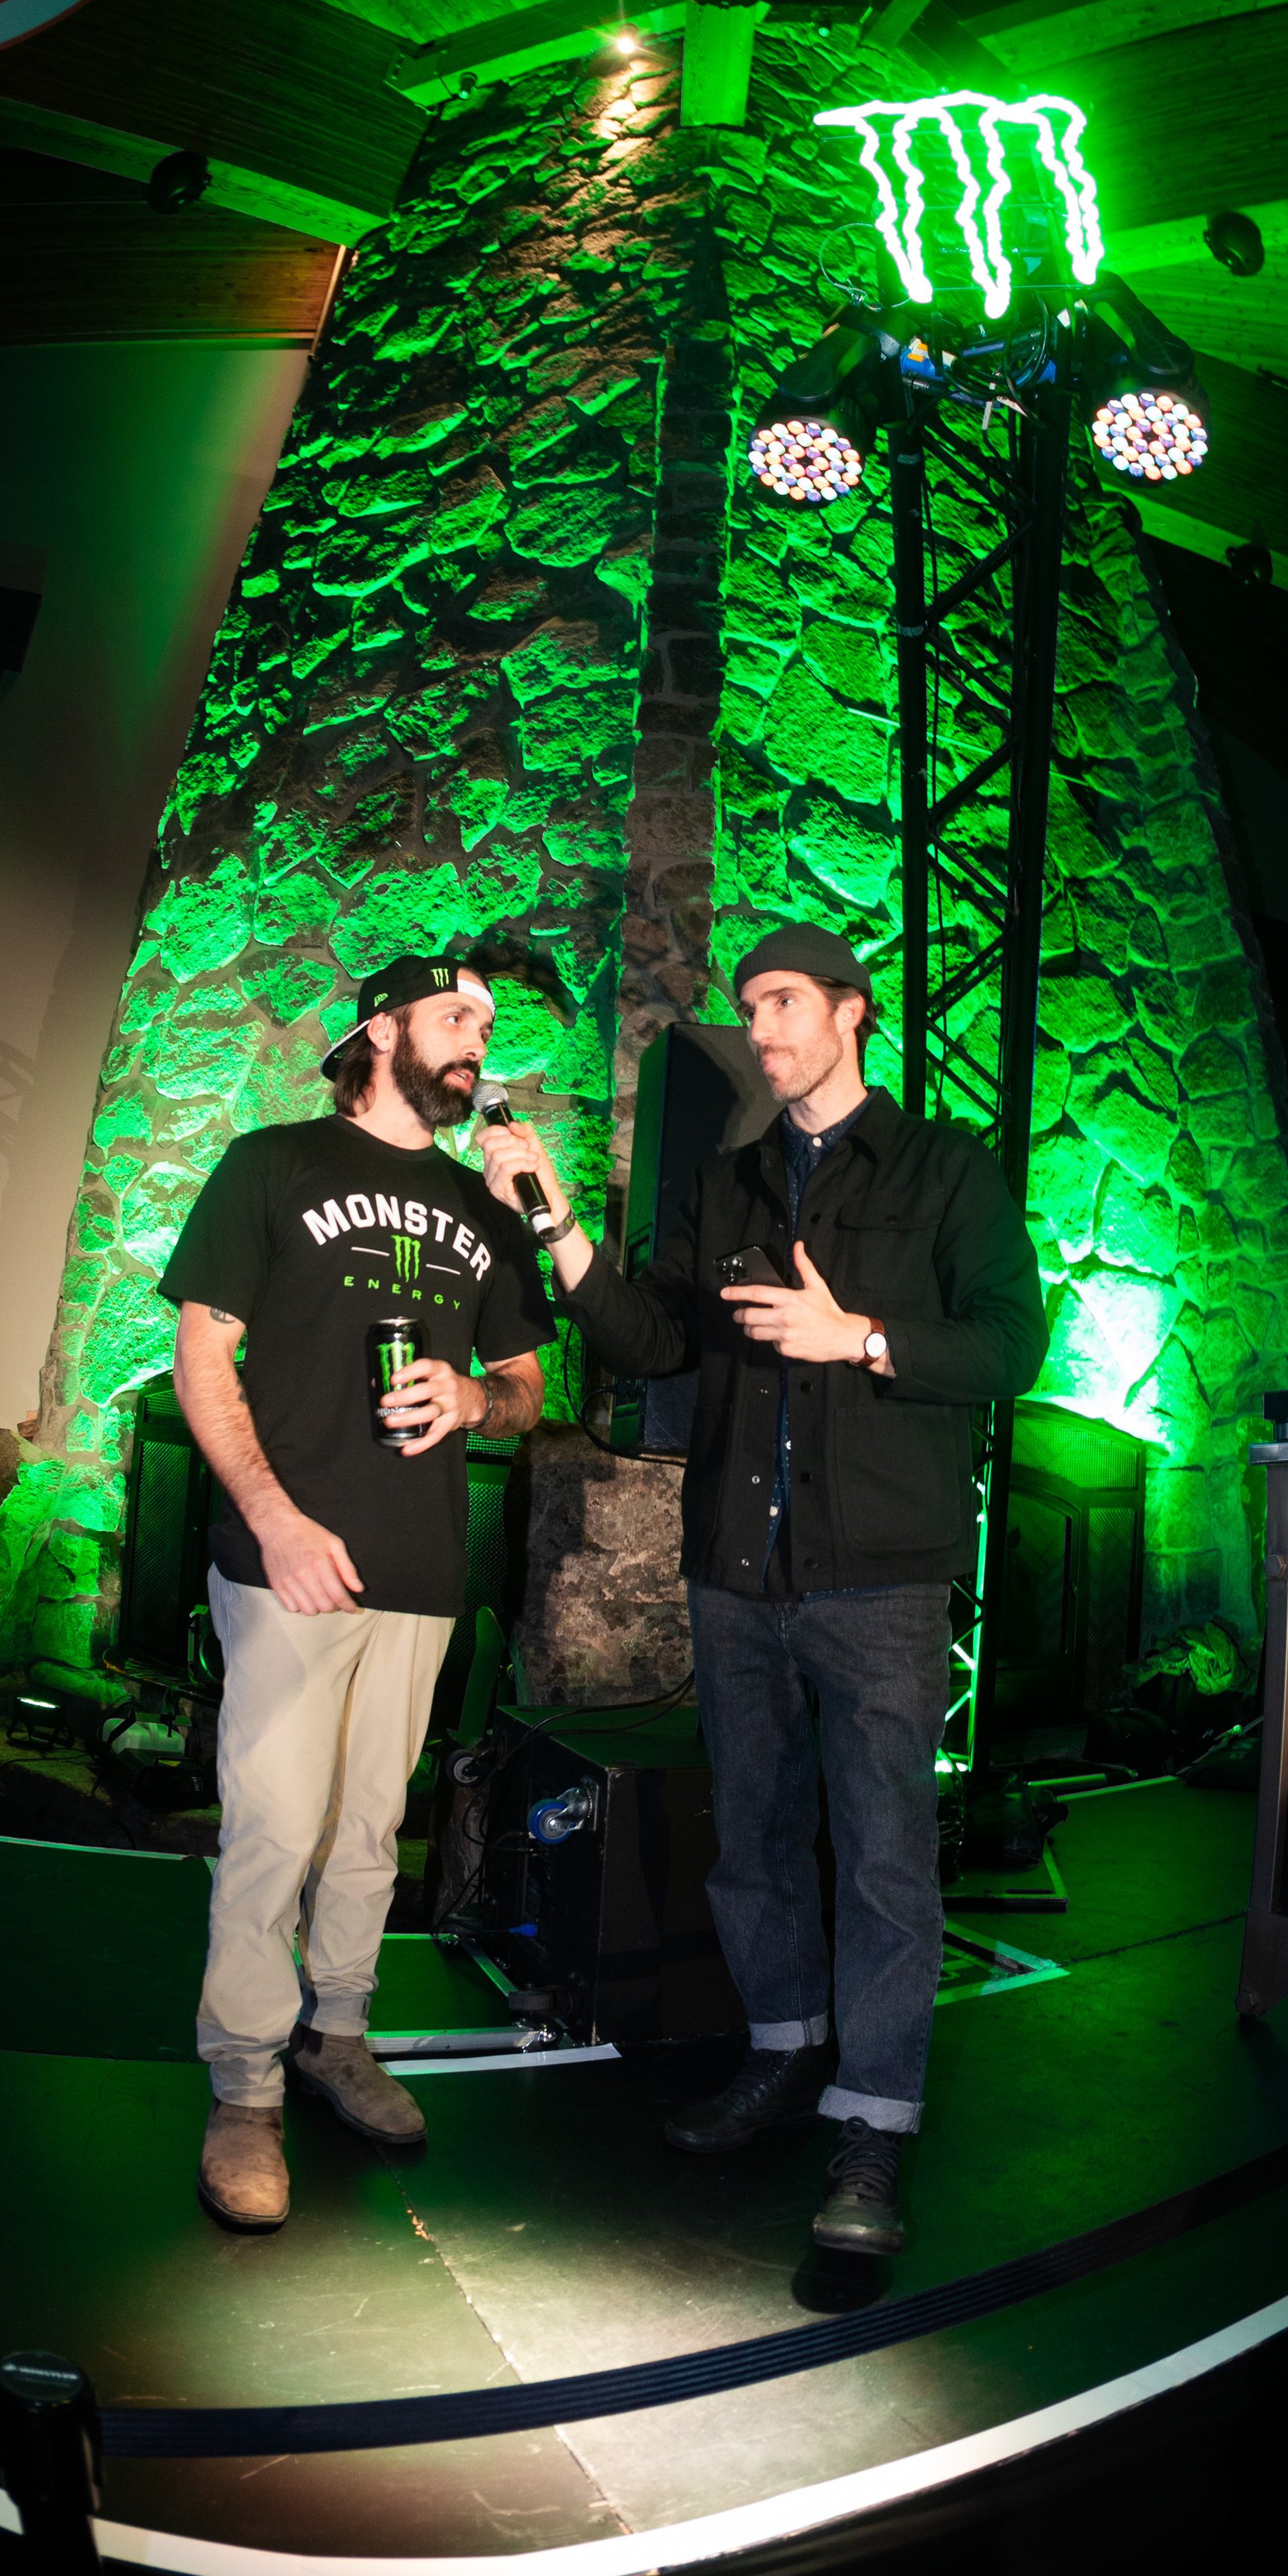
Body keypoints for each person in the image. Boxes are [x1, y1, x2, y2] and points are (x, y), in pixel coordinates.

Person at [475, 921, 1046, 2257]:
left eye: (785, 1001)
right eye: (751, 1006)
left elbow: (1016, 1341)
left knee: (889, 1864)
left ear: (851, 1011)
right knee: (756, 1848)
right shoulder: (729, 1183)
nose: (764, 1027)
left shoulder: (947, 1168)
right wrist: (553, 1218)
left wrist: (866, 1337)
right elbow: (653, 1333)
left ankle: (875, 2124)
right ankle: (786, 2051)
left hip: (880, 1585)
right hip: (736, 1576)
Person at [162, 953, 554, 2232]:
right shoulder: (271, 1164)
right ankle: (244, 2087)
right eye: (457, 1017)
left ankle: (337, 2034)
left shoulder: (483, 1204)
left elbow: (529, 1386)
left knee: (375, 1828)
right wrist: (271, 1516)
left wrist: (477, 1397)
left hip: (420, 1567)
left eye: (488, 1025)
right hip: (291, 1558)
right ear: (381, 1028)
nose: (478, 1040)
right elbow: (199, 1356)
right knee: (275, 1823)